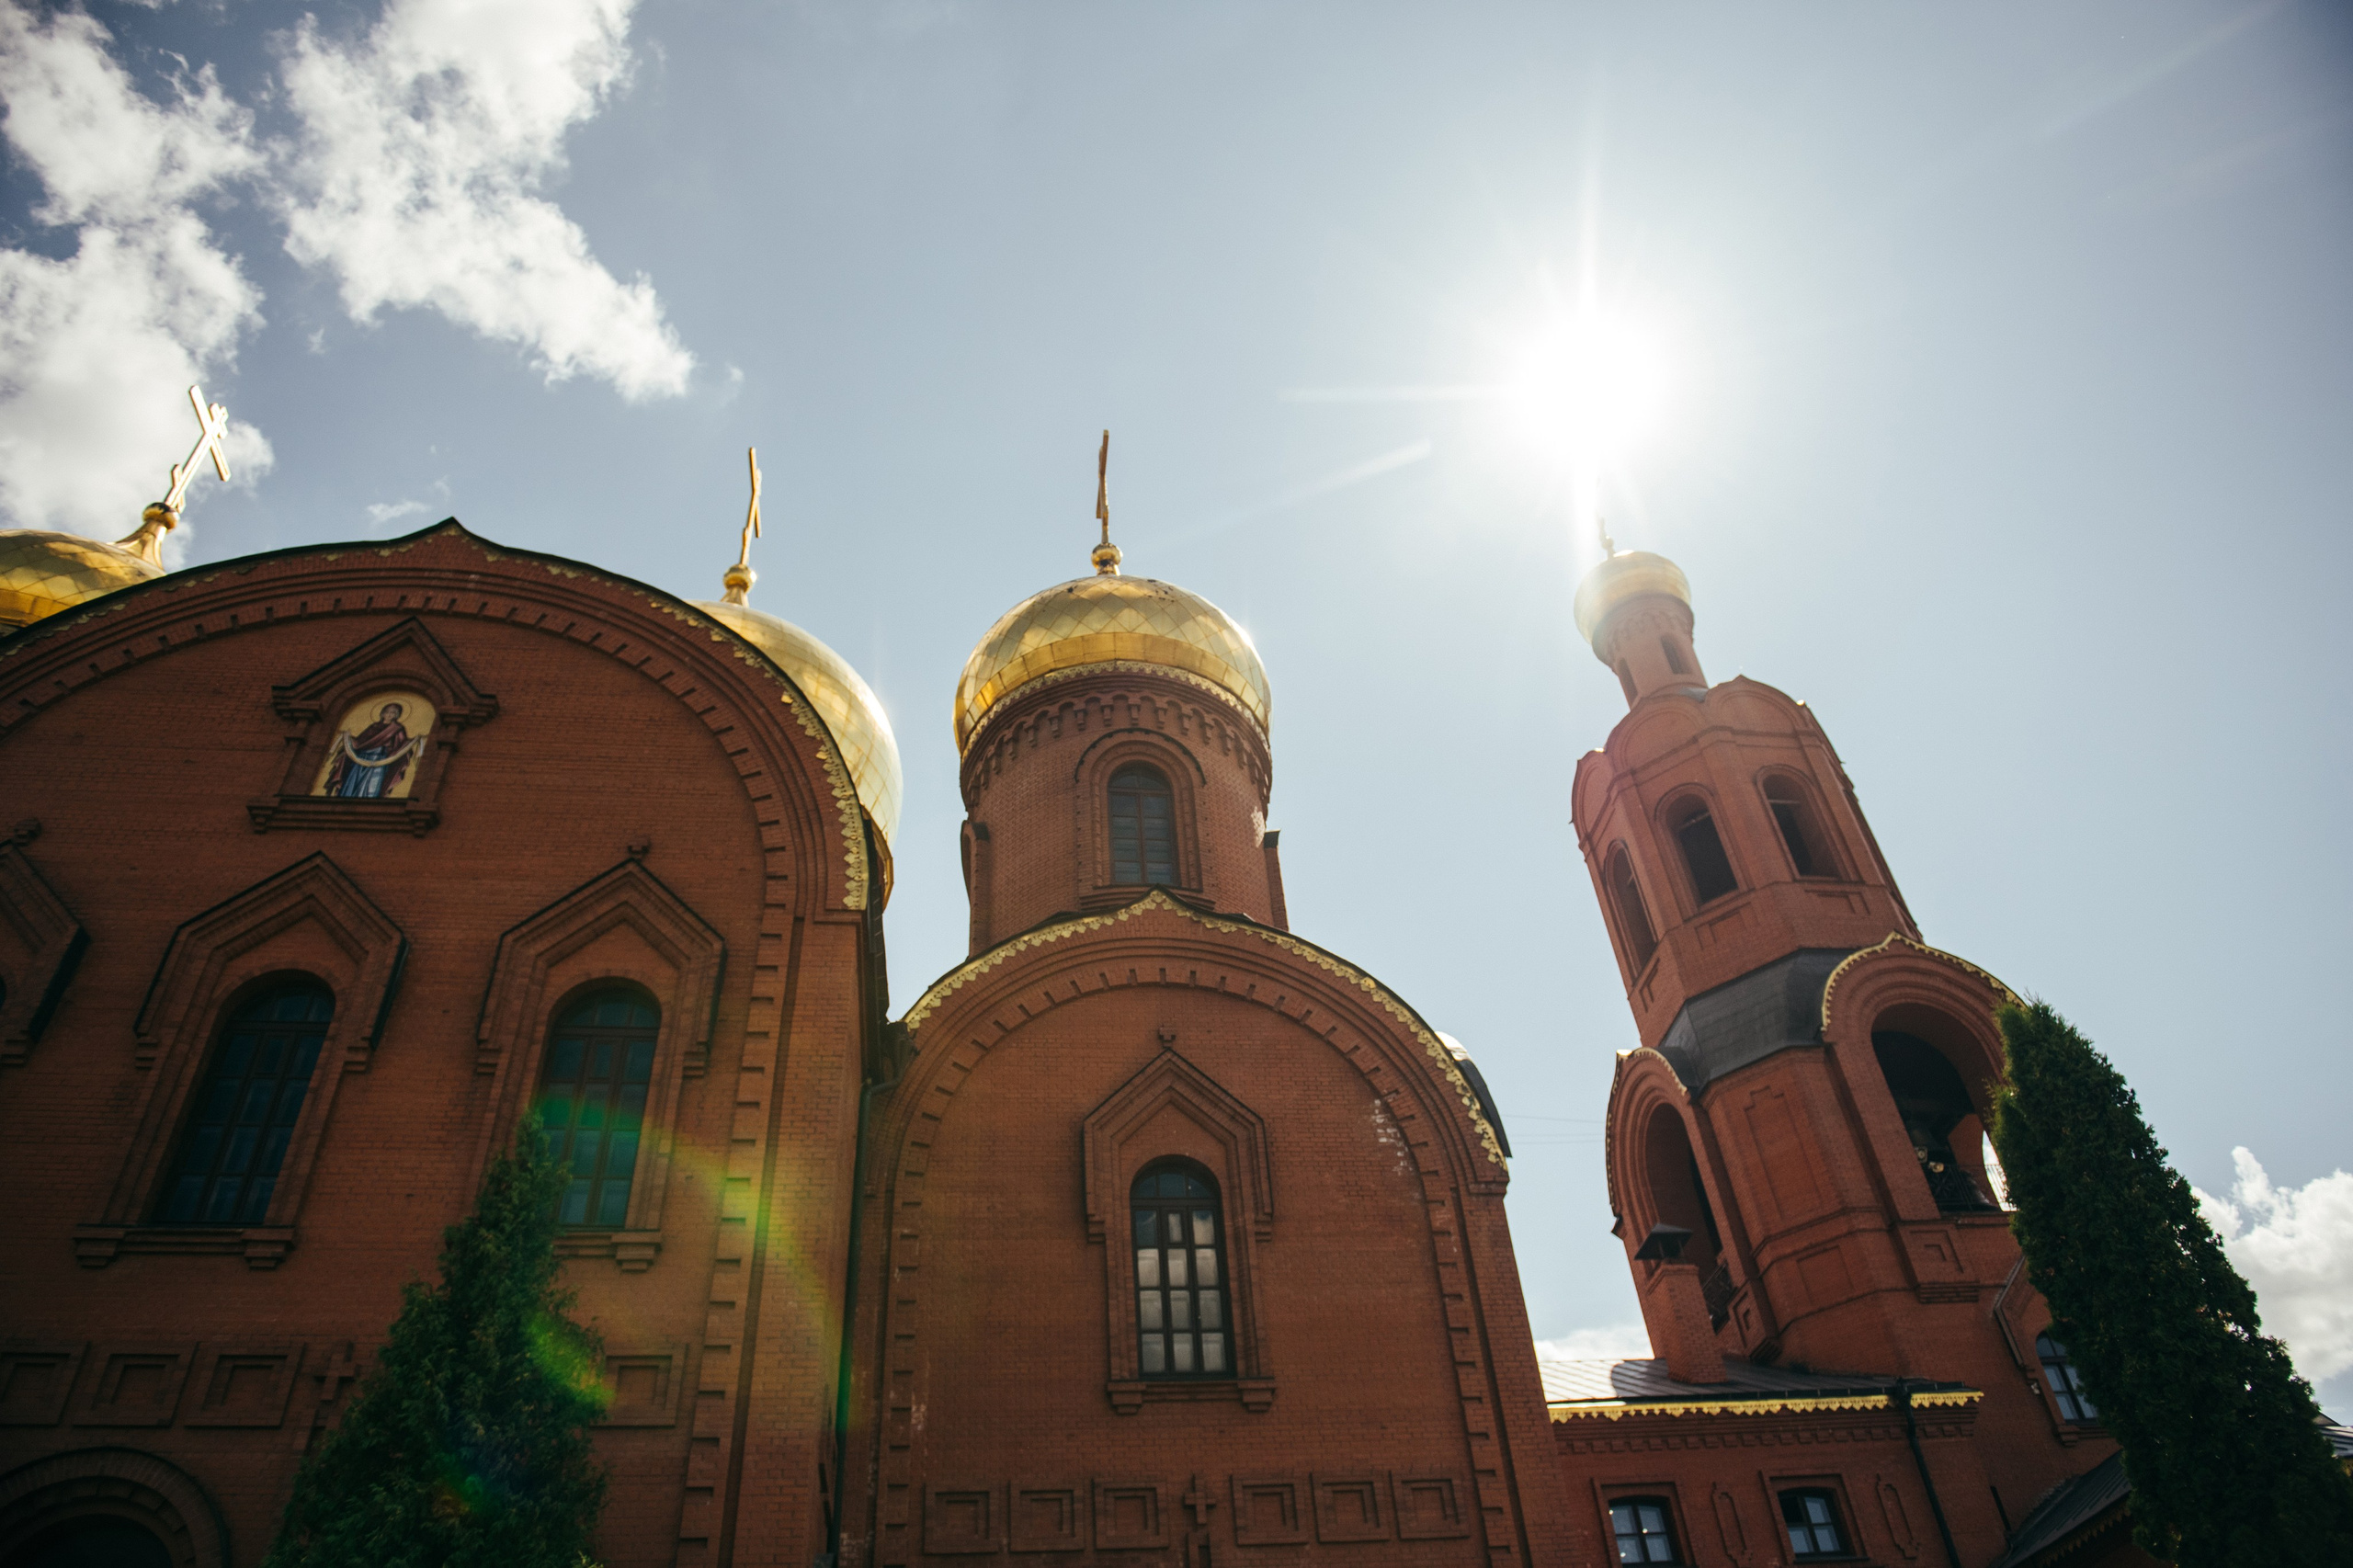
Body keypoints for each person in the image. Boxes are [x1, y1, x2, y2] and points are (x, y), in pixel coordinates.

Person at [323, 701, 421, 798]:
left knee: (372, 785)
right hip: (361, 759)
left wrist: (412, 741)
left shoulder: (397, 728)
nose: (389, 715)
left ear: (397, 715)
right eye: (387, 712)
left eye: (393, 713)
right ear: (382, 713)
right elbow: (360, 742)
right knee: (353, 782)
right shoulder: (373, 727)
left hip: (379, 760)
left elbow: (402, 744)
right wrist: (348, 739)